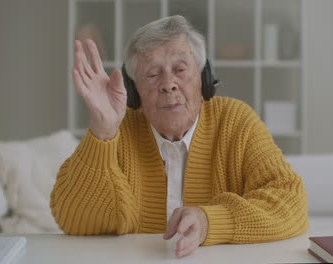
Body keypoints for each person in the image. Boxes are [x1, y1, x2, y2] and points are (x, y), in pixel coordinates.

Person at [50, 15, 308, 258]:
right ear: (134, 90)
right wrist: (103, 131)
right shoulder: (117, 131)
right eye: (152, 74)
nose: (168, 84)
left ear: (204, 78)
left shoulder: (236, 121)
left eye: (180, 69)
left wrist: (210, 221)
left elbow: (290, 202)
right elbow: (74, 219)